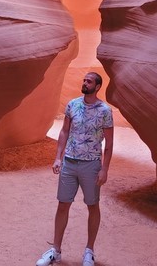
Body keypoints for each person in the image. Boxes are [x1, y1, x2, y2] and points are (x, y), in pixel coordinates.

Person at [36, 72, 114, 266]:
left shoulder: (105, 110)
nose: (85, 83)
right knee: (63, 204)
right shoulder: (73, 105)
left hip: (91, 164)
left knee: (92, 205)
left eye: (89, 81)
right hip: (70, 162)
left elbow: (110, 144)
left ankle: (89, 251)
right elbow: (64, 131)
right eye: (84, 80)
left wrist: (104, 169)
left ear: (97, 87)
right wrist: (58, 158)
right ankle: (56, 250)